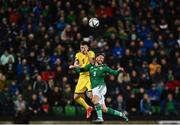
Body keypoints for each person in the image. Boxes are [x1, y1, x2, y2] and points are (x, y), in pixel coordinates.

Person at [70, 53, 128, 123]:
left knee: (94, 100)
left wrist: (118, 70)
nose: (101, 59)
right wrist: (74, 68)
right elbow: (81, 70)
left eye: (102, 58)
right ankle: (121, 114)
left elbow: (114, 72)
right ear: (96, 58)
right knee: (104, 109)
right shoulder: (90, 66)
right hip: (95, 89)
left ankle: (100, 118)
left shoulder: (104, 67)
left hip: (101, 87)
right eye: (100, 57)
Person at [73, 41, 95, 119]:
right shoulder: (78, 54)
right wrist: (75, 65)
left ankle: (99, 115)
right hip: (82, 77)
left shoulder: (91, 53)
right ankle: (88, 108)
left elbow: (92, 63)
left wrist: (87, 53)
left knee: (92, 96)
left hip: (89, 77)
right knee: (75, 97)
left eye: (84, 47)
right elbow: (76, 63)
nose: (82, 49)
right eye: (81, 47)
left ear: (87, 48)